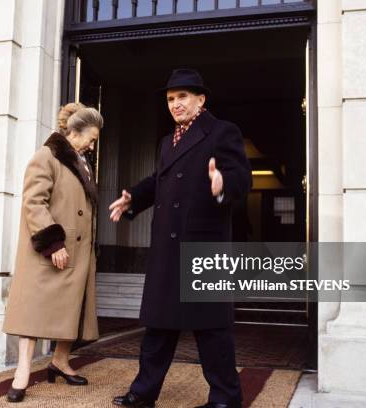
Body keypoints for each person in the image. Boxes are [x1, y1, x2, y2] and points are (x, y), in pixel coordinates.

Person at [109, 69, 251, 408]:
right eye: (170, 99)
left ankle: (226, 399)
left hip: (204, 245)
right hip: (168, 248)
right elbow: (160, 179)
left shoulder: (221, 131)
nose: (176, 104)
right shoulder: (166, 141)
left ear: (201, 100)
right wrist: (134, 197)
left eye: (183, 97)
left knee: (212, 331)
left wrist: (223, 185)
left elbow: (242, 178)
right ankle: (142, 394)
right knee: (158, 327)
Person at [2, 103, 103, 403]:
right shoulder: (46, 157)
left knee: (72, 308)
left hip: (78, 250)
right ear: (73, 132)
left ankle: (60, 361)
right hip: (51, 249)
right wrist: (53, 243)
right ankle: (22, 372)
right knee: (33, 310)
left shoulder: (81, 161)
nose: (93, 144)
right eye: (91, 138)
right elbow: (34, 202)